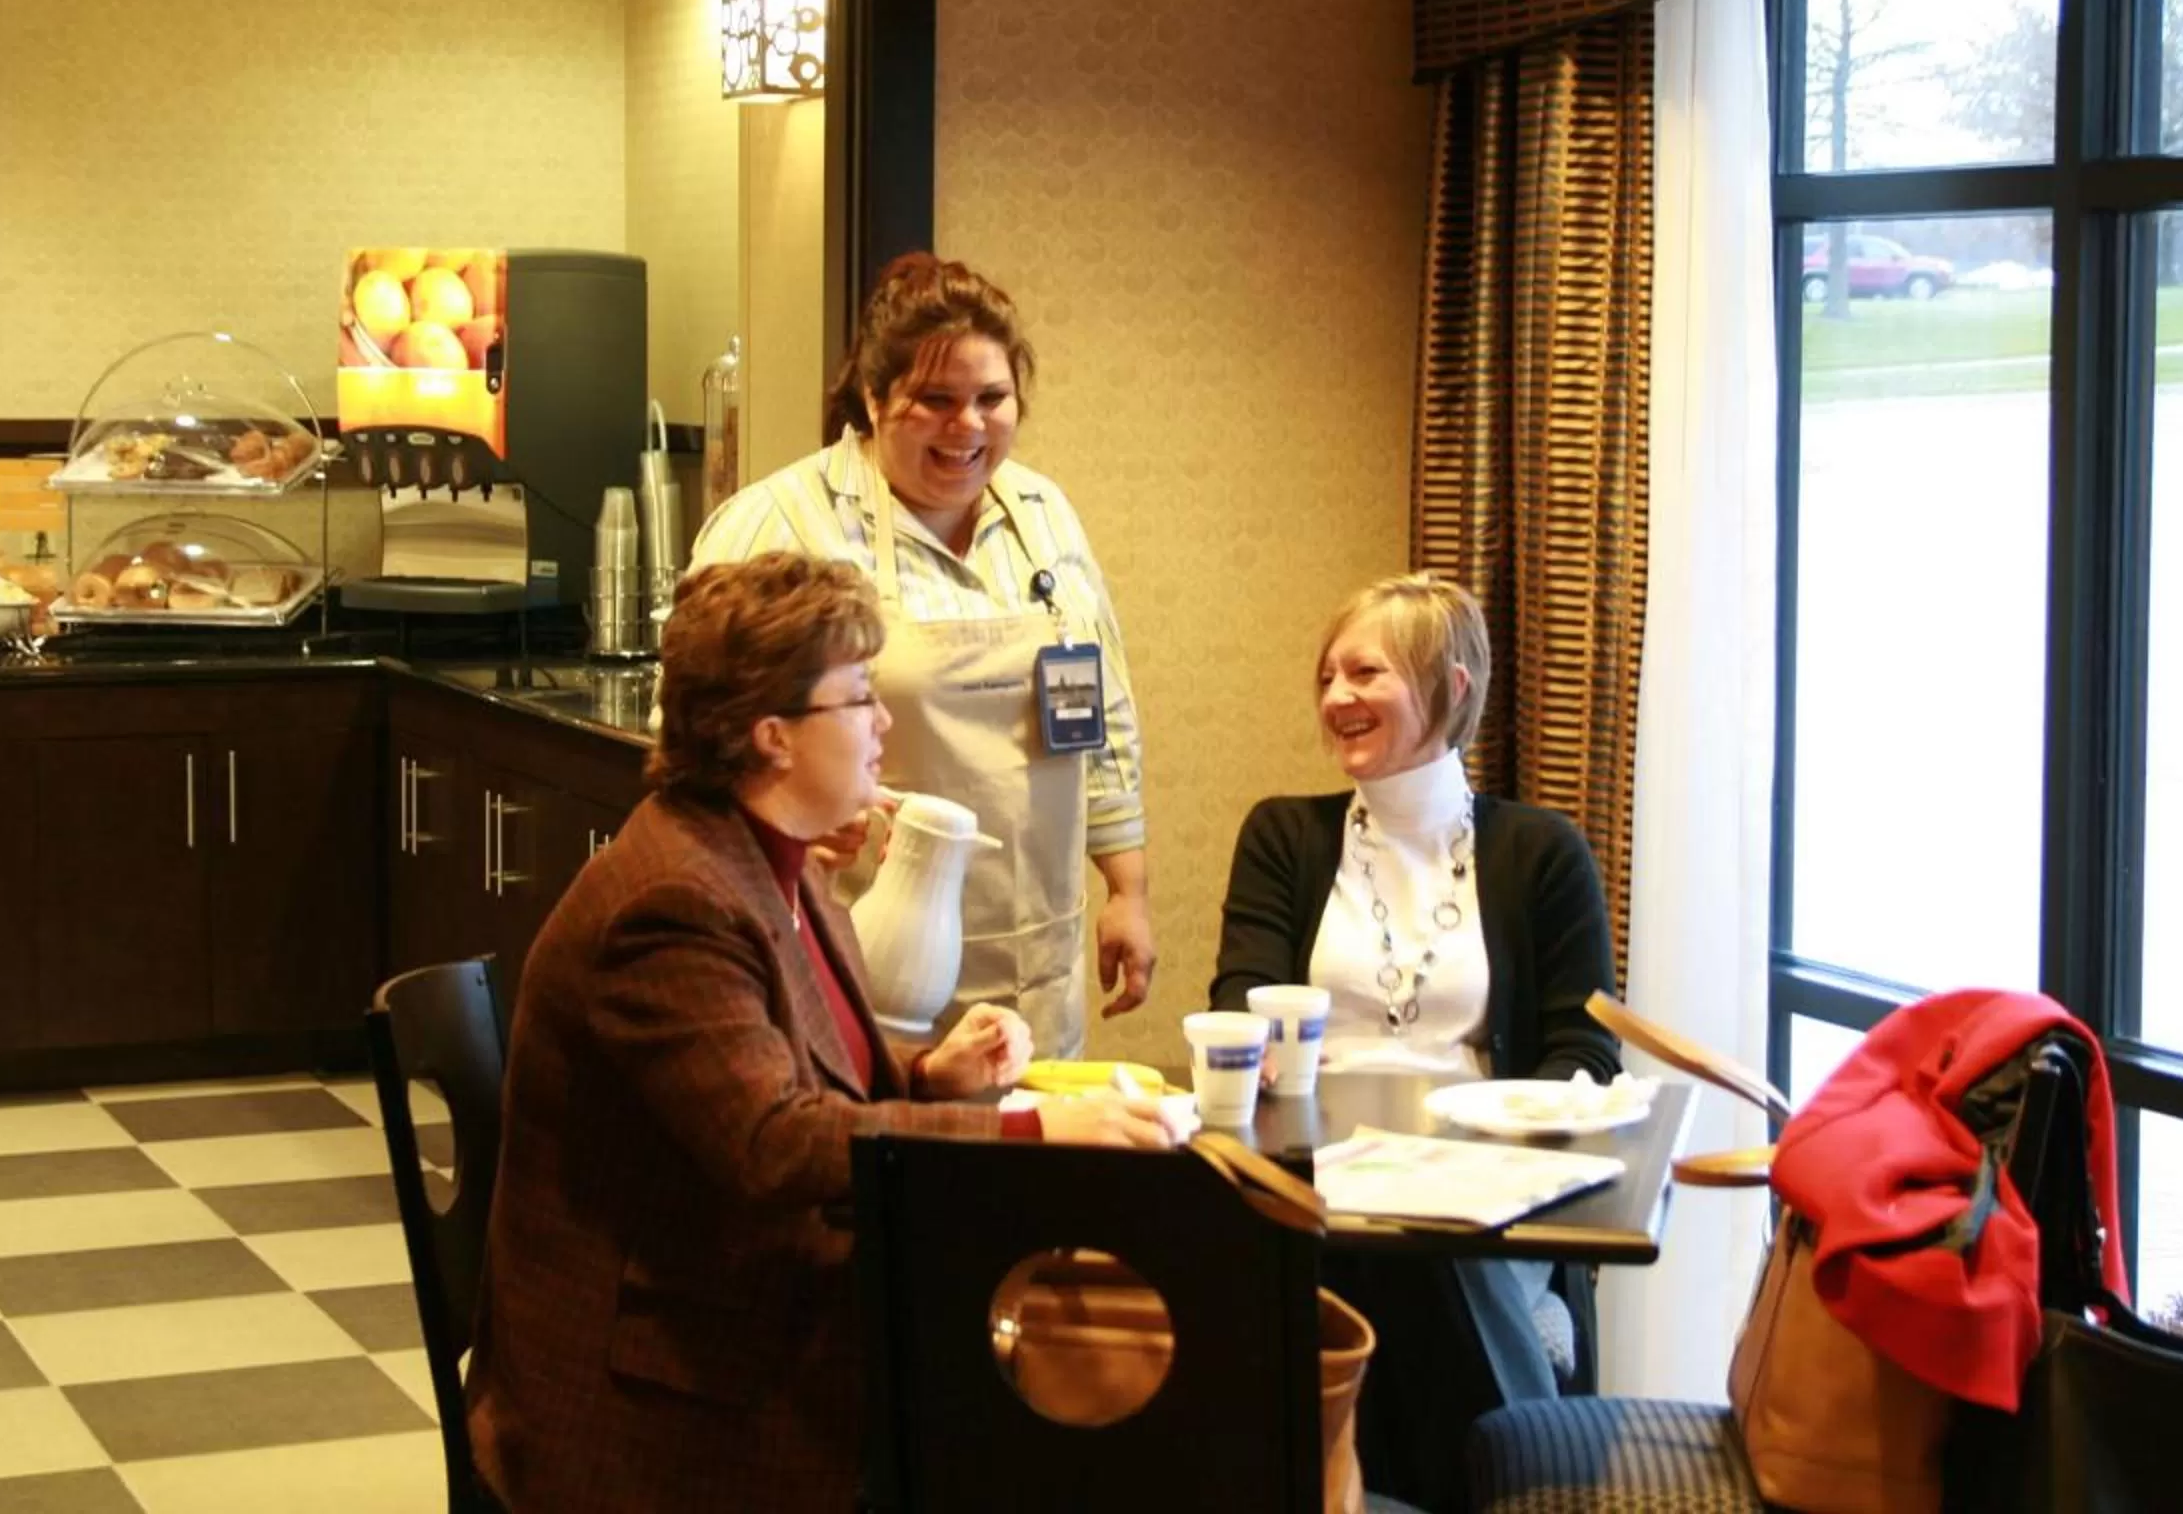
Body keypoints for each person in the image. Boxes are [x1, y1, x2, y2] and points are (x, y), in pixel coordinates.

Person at [470, 554, 1170, 1514]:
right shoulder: (675, 898)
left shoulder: (778, 862)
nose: (885, 723)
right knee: (1060, 1402)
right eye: (859, 698)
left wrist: (928, 1078)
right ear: (773, 736)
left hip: (734, 1300)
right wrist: (1030, 1130)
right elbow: (771, 1142)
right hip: (662, 1394)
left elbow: (795, 1086)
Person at [1210, 572, 1621, 1512]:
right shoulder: (1283, 835)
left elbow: (1585, 1054)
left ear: (1454, 686)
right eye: (1327, 677)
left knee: (1422, 1250)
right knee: (1340, 1247)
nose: (1336, 698)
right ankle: (1509, 1467)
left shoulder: (1542, 852)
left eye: (1365, 673)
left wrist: (1482, 1148)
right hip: (1317, 1176)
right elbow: (1242, 1002)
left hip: (1481, 1185)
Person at [692, 254, 1151, 1059]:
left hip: (1035, 952)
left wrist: (1127, 889)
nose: (967, 426)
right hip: (859, 942)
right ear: (873, 400)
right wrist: (781, 820)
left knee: (1024, 1160)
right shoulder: (781, 524)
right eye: (935, 401)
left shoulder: (1044, 516)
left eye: (991, 399)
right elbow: (696, 739)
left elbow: (1100, 713)